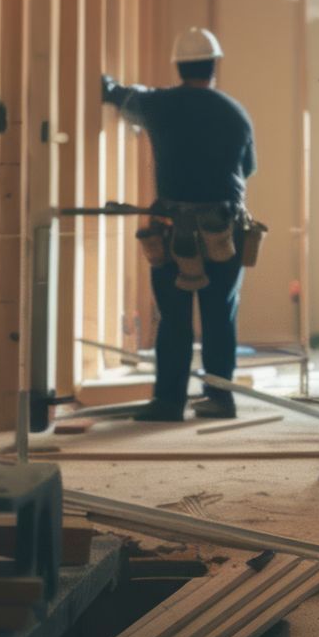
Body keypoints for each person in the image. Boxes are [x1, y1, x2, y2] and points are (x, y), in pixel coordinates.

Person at [100, 27, 255, 423]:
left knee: (173, 316)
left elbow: (119, 96)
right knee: (220, 314)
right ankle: (220, 398)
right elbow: (248, 168)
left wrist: (107, 83)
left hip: (173, 227)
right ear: (214, 65)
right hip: (223, 227)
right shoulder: (234, 112)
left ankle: (169, 402)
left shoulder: (159, 104)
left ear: (178, 65)